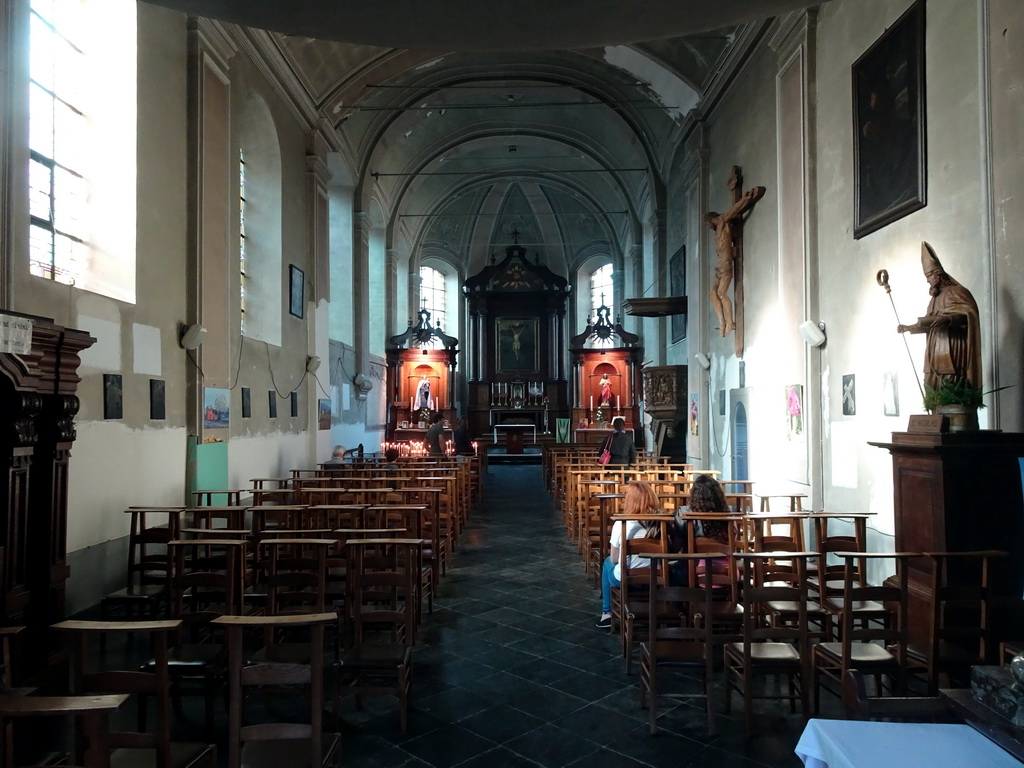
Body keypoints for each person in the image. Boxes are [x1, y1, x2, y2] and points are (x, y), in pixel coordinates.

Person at [896, 242, 982, 392]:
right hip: (934, 349)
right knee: (932, 388)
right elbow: (929, 323)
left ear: (939, 275)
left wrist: (949, 319)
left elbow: (969, 314)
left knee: (951, 388)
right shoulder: (933, 300)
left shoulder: (957, 291)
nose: (927, 280)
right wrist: (909, 328)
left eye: (929, 276)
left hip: (953, 348)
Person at [706, 172, 766, 336]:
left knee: (721, 293)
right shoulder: (717, 229)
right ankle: (722, 321)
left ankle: (730, 322)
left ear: (711, 220)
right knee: (712, 293)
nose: (708, 227)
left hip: (725, 262)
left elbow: (734, 210)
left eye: (707, 224)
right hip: (719, 265)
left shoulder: (722, 221)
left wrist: (745, 199)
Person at [597, 481, 663, 628]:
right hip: (656, 577)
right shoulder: (661, 522)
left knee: (608, 562)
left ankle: (606, 613)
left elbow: (614, 558)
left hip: (627, 577)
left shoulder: (621, 523)